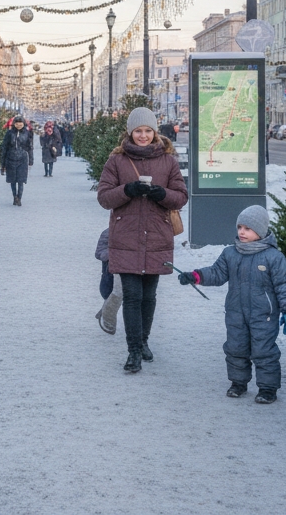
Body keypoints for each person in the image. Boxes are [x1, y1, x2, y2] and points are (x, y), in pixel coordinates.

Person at [96, 107, 188, 374]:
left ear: (155, 132)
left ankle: (144, 341)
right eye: (139, 131)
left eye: (148, 130)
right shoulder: (117, 161)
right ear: (130, 132)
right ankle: (133, 350)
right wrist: (127, 190)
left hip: (158, 236)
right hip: (126, 237)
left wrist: (162, 194)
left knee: (149, 296)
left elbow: (181, 196)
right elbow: (104, 197)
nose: (144, 135)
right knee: (133, 296)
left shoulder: (168, 161)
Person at [178, 205, 286, 404]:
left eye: (248, 228)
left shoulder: (273, 257)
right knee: (235, 348)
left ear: (260, 231)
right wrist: (195, 276)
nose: (242, 232)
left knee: (264, 351)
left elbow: (284, 285)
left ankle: (268, 388)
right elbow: (216, 273)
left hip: (264, 315)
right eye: (240, 227)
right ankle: (238, 382)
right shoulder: (230, 254)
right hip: (236, 313)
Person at [1, 116, 33, 206]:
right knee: (13, 180)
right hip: (10, 158)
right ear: (14, 123)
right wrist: (2, 163)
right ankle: (14, 196)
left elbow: (30, 147)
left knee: (21, 180)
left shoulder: (27, 133)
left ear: (23, 123)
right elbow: (4, 147)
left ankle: (19, 197)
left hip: (22, 159)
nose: (19, 124)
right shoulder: (9, 133)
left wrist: (31, 160)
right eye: (17, 122)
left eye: (21, 122)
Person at [94, 228, 121, 335]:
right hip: (114, 263)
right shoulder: (111, 231)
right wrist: (113, 254)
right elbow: (100, 252)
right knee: (112, 290)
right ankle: (107, 313)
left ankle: (107, 311)